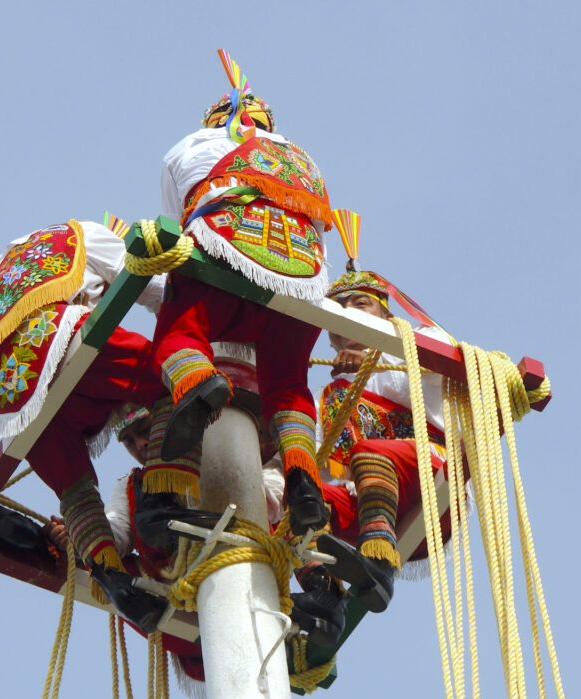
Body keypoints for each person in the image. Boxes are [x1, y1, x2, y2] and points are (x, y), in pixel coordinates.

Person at [135, 52, 335, 542]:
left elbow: (182, 216)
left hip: (224, 255)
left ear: (211, 119)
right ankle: (303, 479)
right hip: (302, 278)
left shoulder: (191, 145)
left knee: (179, 333)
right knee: (288, 384)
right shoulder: (300, 154)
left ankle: (200, 386)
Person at [0, 218, 169, 632]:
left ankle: (106, 567)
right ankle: (164, 496)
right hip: (63, 340)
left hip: (8, 399)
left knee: (73, 486)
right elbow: (159, 290)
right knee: (169, 372)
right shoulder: (83, 232)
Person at [308, 270, 454, 615]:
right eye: (338, 309)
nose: (349, 312)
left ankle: (378, 562)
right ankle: (325, 597)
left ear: (387, 314)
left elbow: (445, 359)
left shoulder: (414, 341)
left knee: (368, 451)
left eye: (361, 304)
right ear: (330, 338)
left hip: (433, 479)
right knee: (297, 495)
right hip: (366, 503)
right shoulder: (323, 399)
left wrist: (376, 358)